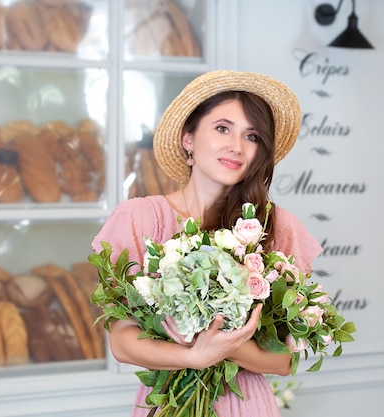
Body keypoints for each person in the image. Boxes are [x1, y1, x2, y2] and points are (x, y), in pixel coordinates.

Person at [91, 70, 323, 416]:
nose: (237, 146)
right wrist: (192, 356)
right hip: (167, 400)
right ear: (188, 138)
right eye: (222, 128)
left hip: (245, 406)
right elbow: (122, 341)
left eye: (252, 136)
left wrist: (226, 347)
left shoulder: (276, 227)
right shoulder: (141, 219)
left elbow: (284, 360)